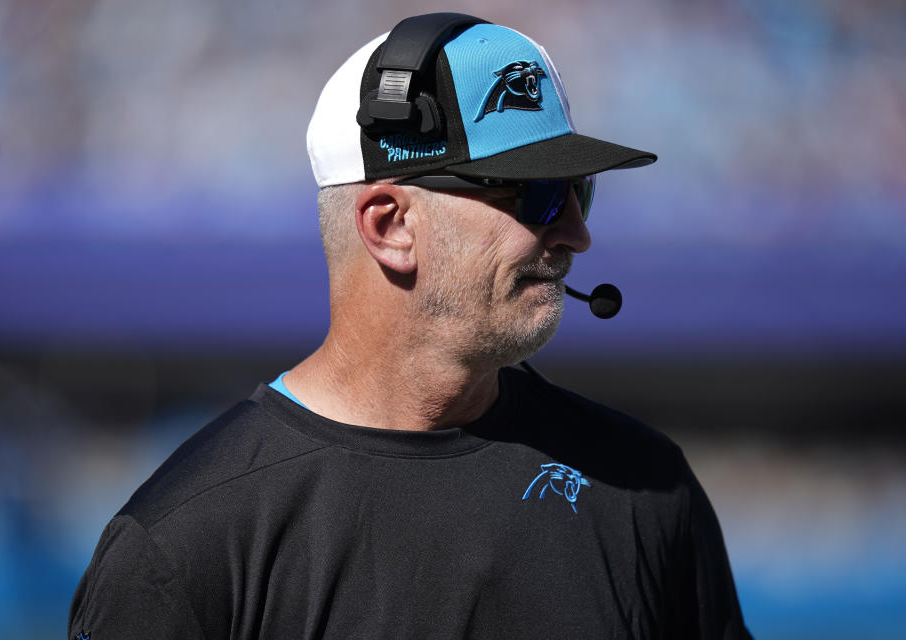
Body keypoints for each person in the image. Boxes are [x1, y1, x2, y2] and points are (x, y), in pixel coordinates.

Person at [69, 13, 751, 639]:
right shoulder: (184, 544)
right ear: (392, 227)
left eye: (582, 192)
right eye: (539, 194)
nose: (576, 233)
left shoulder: (643, 485)